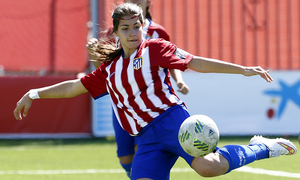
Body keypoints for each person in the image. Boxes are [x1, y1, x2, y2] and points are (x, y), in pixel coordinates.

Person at [14, 3, 297, 180]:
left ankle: (262, 146)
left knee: (209, 168)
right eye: (126, 28)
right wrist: (35, 93)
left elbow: (195, 61)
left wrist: (244, 70)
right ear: (116, 32)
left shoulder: (155, 49)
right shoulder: (109, 70)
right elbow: (73, 88)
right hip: (146, 139)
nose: (134, 33)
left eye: (137, 26)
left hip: (173, 122)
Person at [88, 0, 189, 178]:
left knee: (143, 147)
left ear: (147, 3)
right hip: (124, 105)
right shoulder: (114, 32)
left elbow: (172, 59)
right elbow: (105, 69)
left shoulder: (159, 32)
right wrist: (94, 54)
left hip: (152, 105)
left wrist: (179, 81)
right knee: (125, 156)